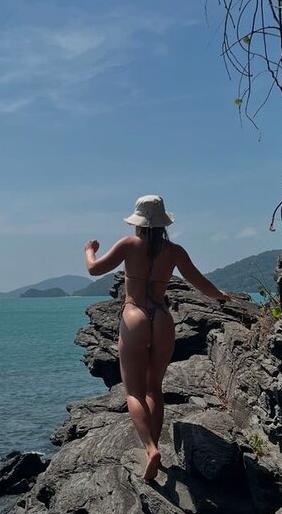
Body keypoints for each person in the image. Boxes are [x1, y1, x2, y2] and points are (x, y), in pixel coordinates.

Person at [84, 194, 231, 482]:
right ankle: (156, 444)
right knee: (155, 388)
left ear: (138, 222)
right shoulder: (174, 251)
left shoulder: (129, 245)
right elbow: (199, 282)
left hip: (134, 315)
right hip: (162, 318)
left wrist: (89, 250)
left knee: (134, 392)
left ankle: (151, 449)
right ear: (163, 223)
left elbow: (94, 269)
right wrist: (221, 295)